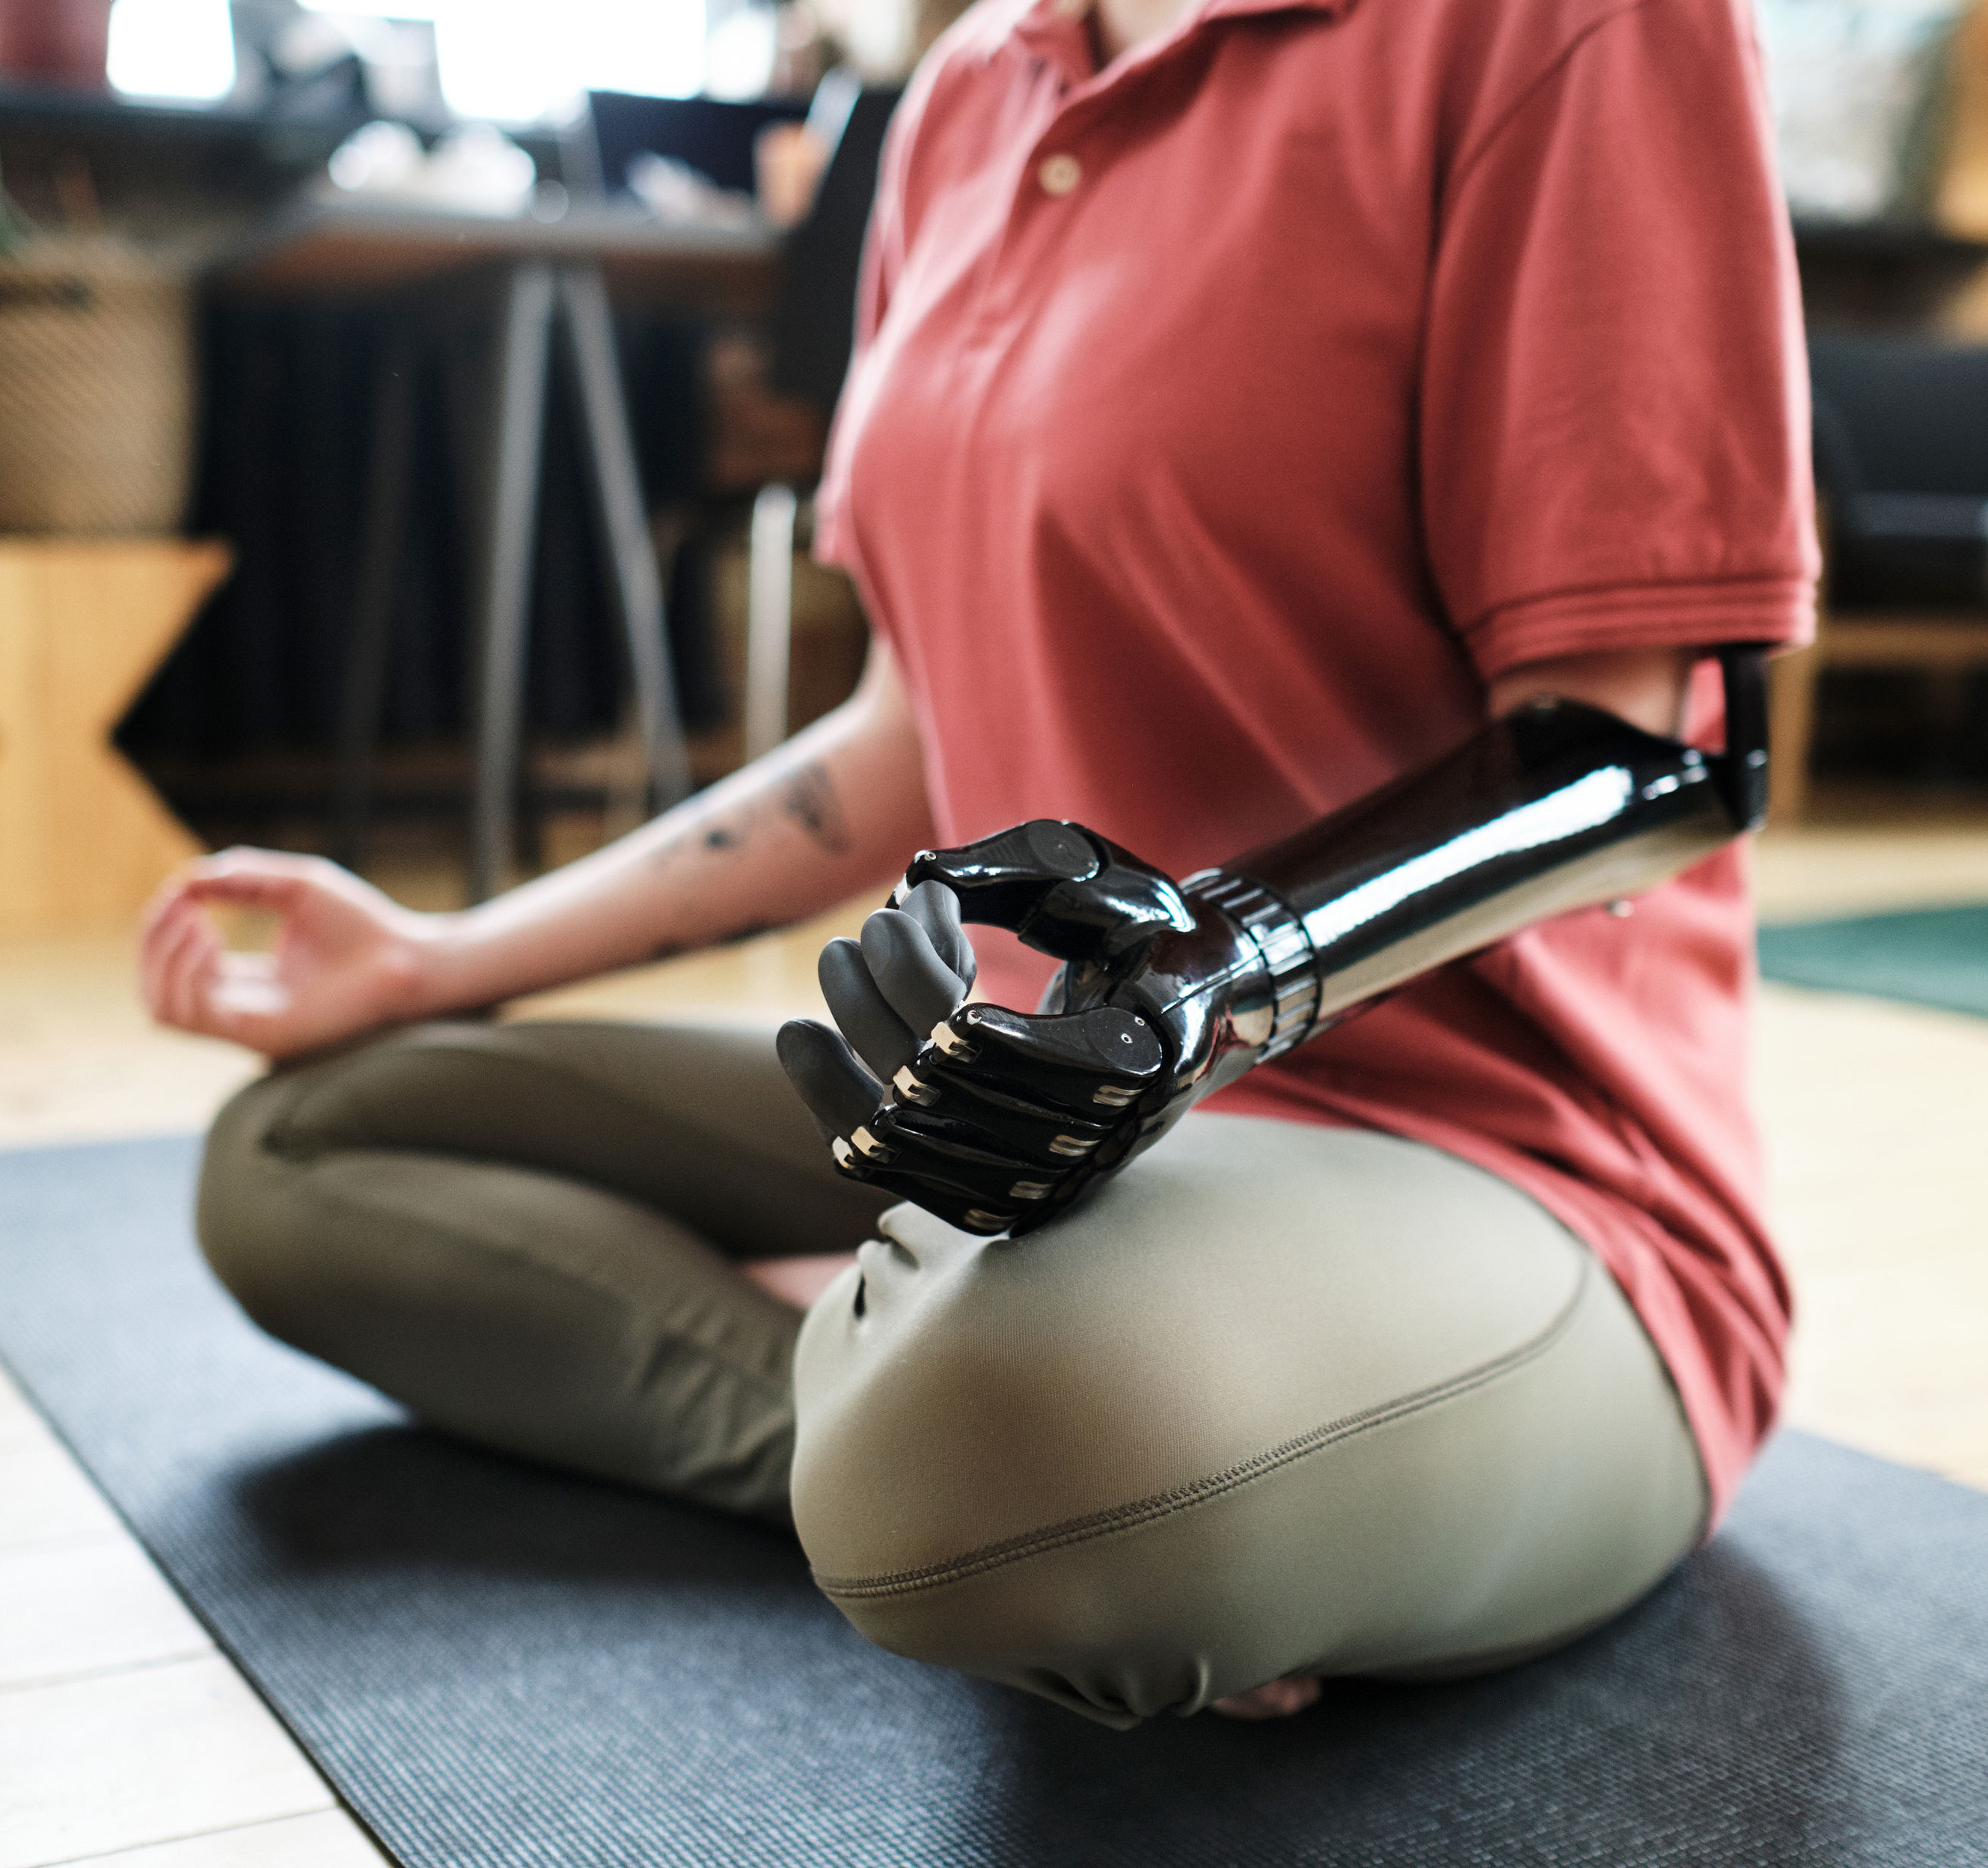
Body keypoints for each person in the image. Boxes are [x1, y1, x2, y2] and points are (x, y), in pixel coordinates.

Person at [141, 0, 1814, 1727]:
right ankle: (988, 1473)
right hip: (1028, 1117)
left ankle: (1018, 1447)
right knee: (310, 1147)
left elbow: (1635, 757)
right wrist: (443, 958)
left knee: (999, 1426)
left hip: (1498, 1164)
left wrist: (1214, 968)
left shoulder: (1583, 28)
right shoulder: (967, 96)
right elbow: (901, 743)